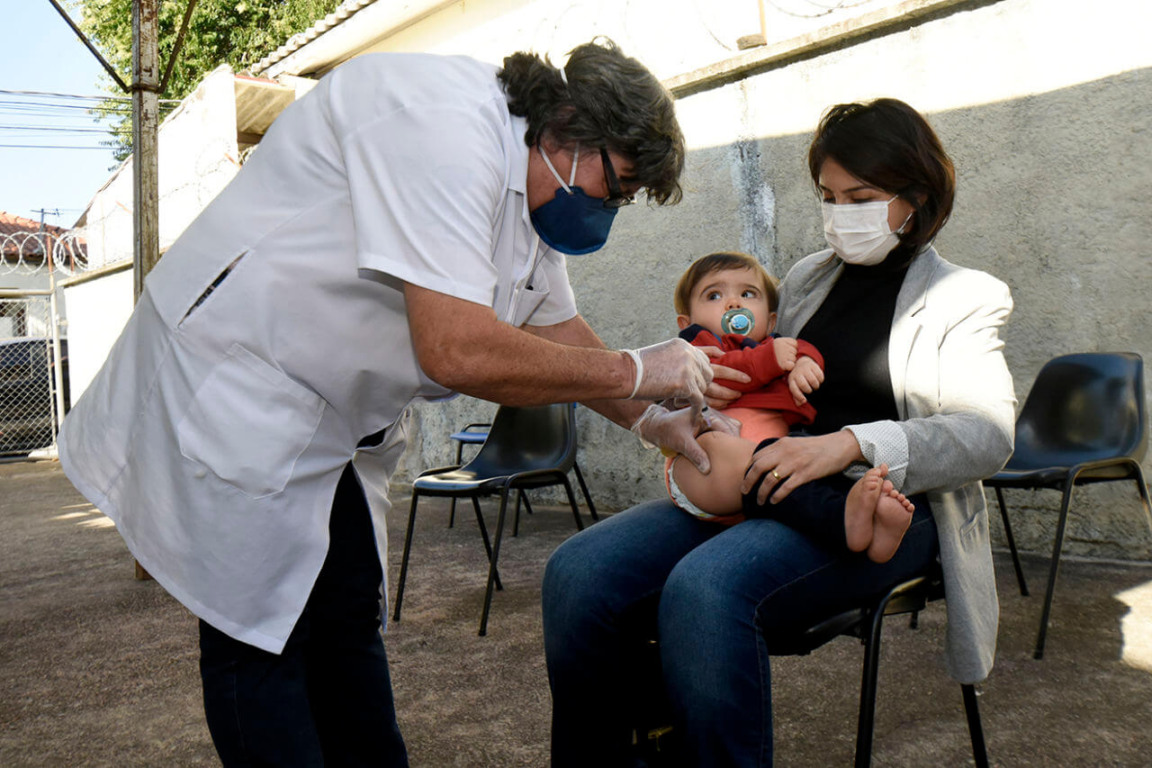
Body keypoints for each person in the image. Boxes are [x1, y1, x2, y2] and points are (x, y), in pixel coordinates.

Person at [57, 40, 739, 767]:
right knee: (258, 638)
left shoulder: (535, 181)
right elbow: (457, 349)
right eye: (619, 186)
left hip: (329, 417)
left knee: (348, 618)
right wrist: (639, 371)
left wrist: (650, 419)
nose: (613, 209)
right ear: (569, 126)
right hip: (236, 382)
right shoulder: (445, 126)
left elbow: (554, 324)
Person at [542, 97, 1016, 766]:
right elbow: (751, 357)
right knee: (579, 571)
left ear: (917, 195)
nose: (840, 213)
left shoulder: (965, 297)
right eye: (828, 195)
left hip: (886, 506)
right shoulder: (804, 279)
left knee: (706, 588)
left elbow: (986, 435)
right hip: (765, 480)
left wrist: (848, 444)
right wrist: (711, 391)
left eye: (862, 195)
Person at [664, 250, 916, 562]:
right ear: (686, 322)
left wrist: (805, 362)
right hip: (706, 474)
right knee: (718, 446)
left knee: (810, 463)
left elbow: (800, 348)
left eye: (748, 293)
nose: (733, 303)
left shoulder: (773, 346)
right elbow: (732, 374)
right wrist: (769, 360)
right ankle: (842, 521)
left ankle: (875, 532)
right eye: (714, 295)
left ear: (770, 319)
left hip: (776, 470)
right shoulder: (697, 348)